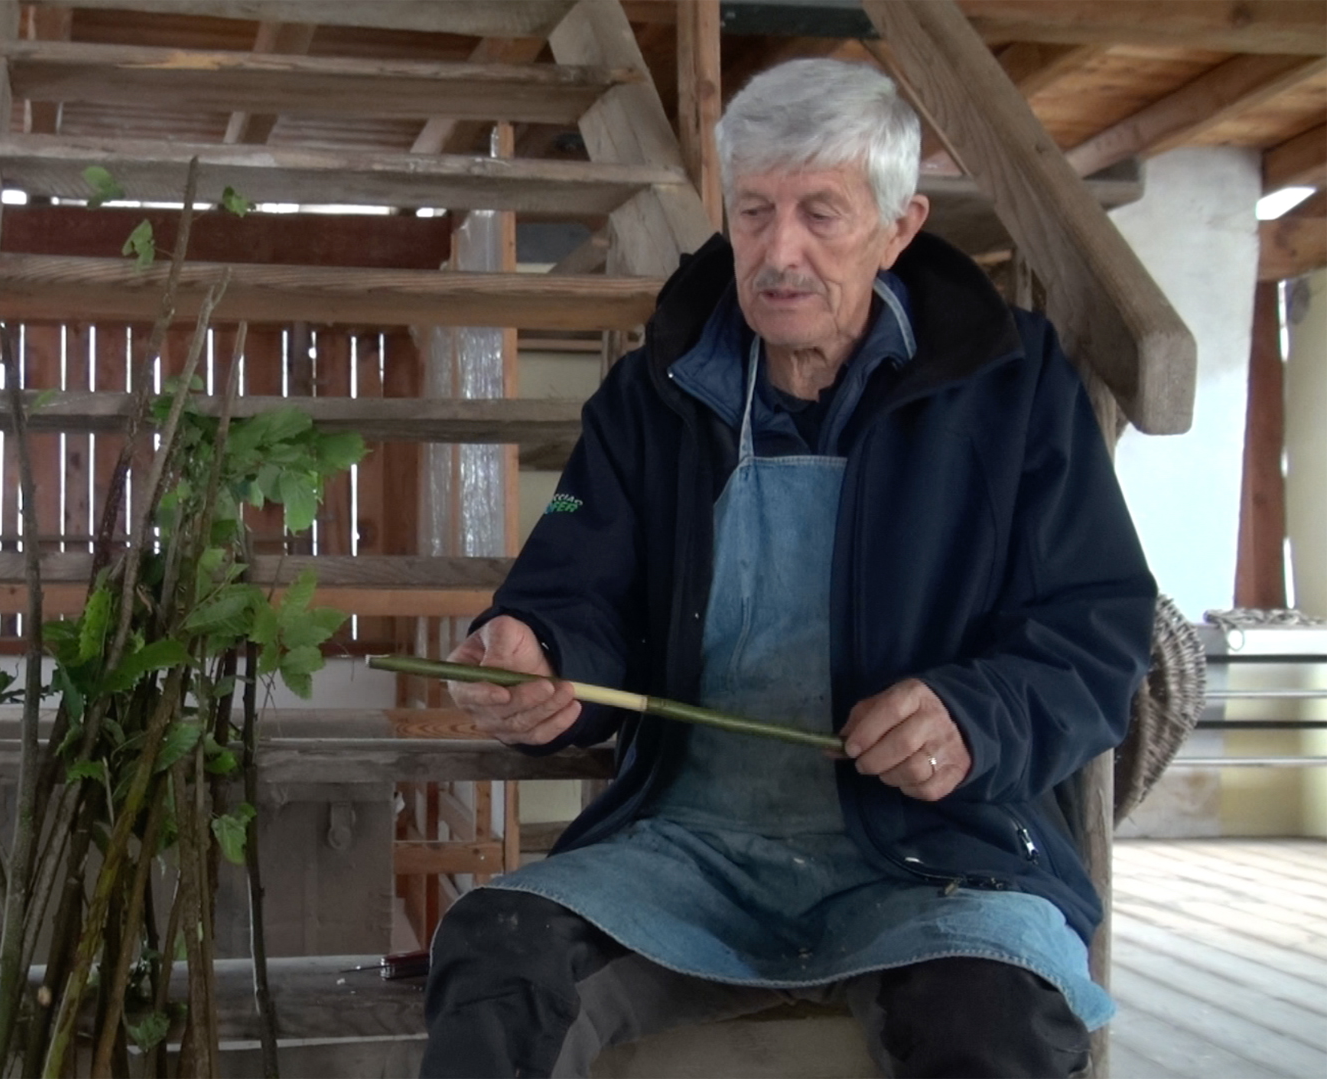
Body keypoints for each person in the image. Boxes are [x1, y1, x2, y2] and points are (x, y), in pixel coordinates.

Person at [421, 59, 1155, 1079]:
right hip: (686, 847)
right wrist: (541, 654)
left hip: (938, 853)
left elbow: (1096, 626)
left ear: (899, 227)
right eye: (755, 212)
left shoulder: (1012, 388)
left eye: (821, 213)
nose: (778, 252)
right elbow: (573, 589)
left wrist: (974, 714)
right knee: (500, 954)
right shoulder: (651, 395)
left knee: (991, 1020)